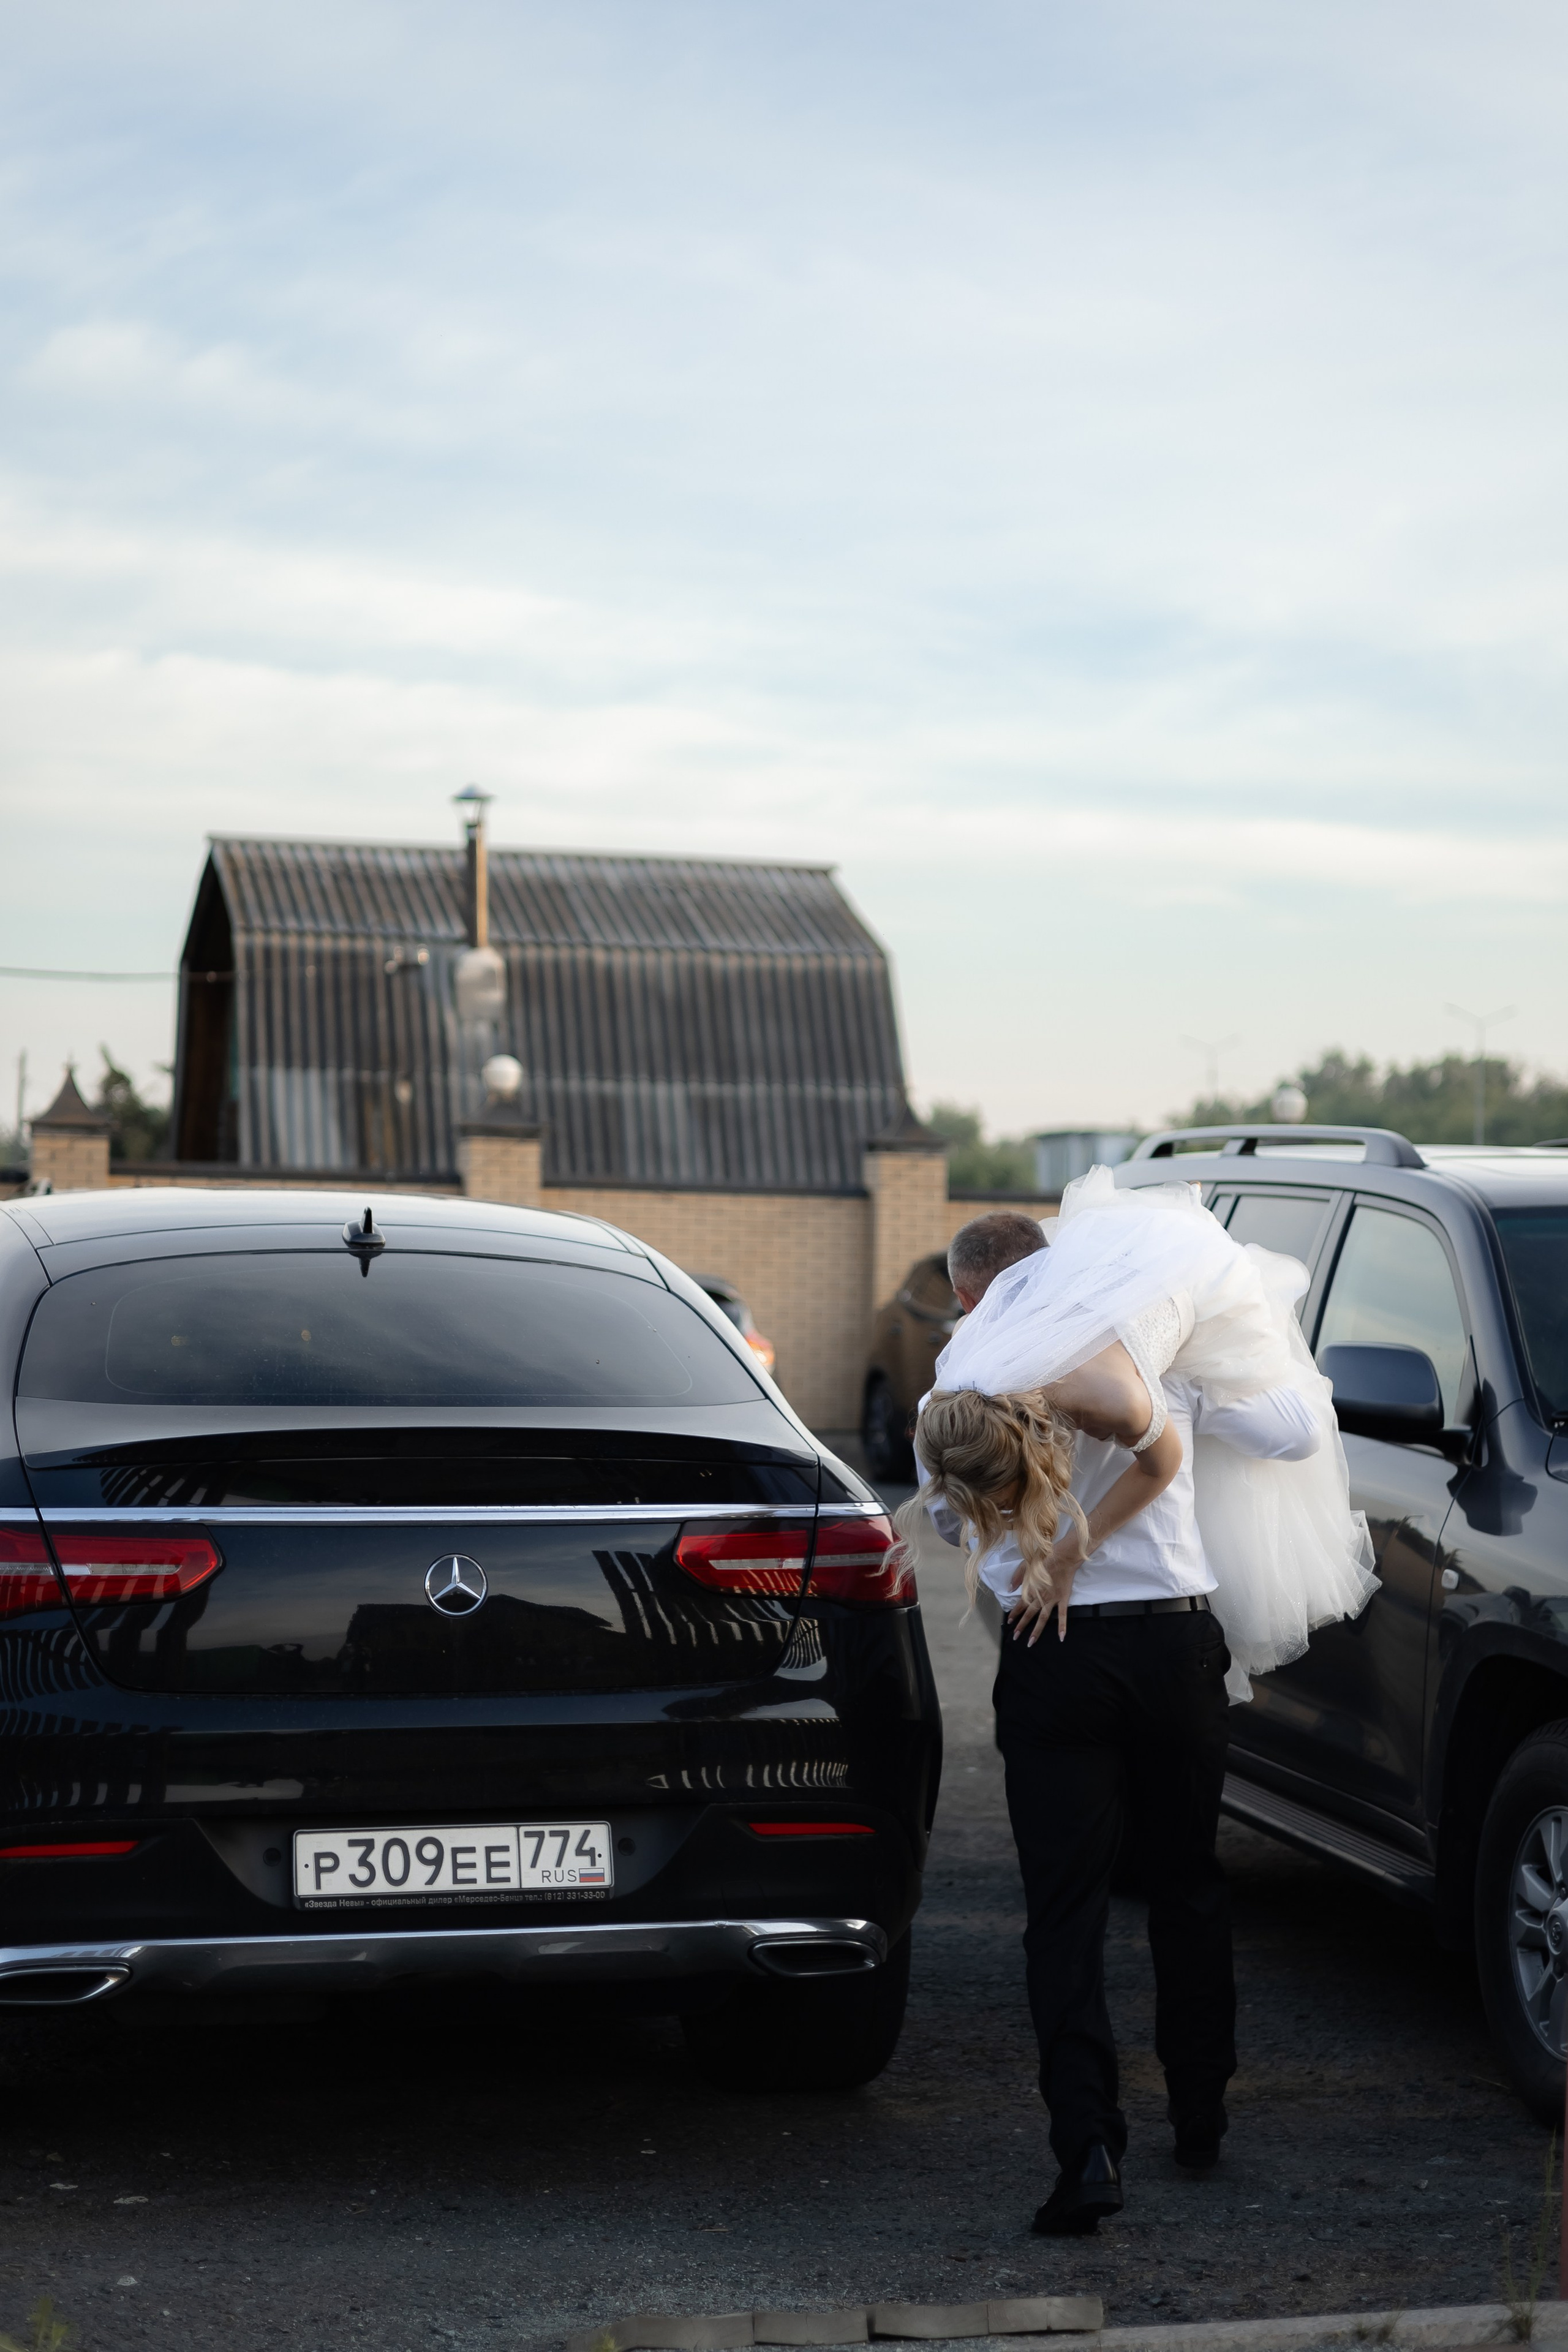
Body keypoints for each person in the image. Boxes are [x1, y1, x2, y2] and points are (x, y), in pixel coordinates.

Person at [907, 1180, 1376, 2236]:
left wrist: (1041, 1534)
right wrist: (1212, 1380)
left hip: (1050, 1651)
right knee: (1188, 1883)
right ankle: (1202, 2112)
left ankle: (1087, 2152)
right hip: (1172, 1645)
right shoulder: (1159, 1356)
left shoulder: (961, 1384)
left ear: (977, 1292)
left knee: (1063, 1913)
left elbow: (946, 1522)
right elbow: (1299, 1431)